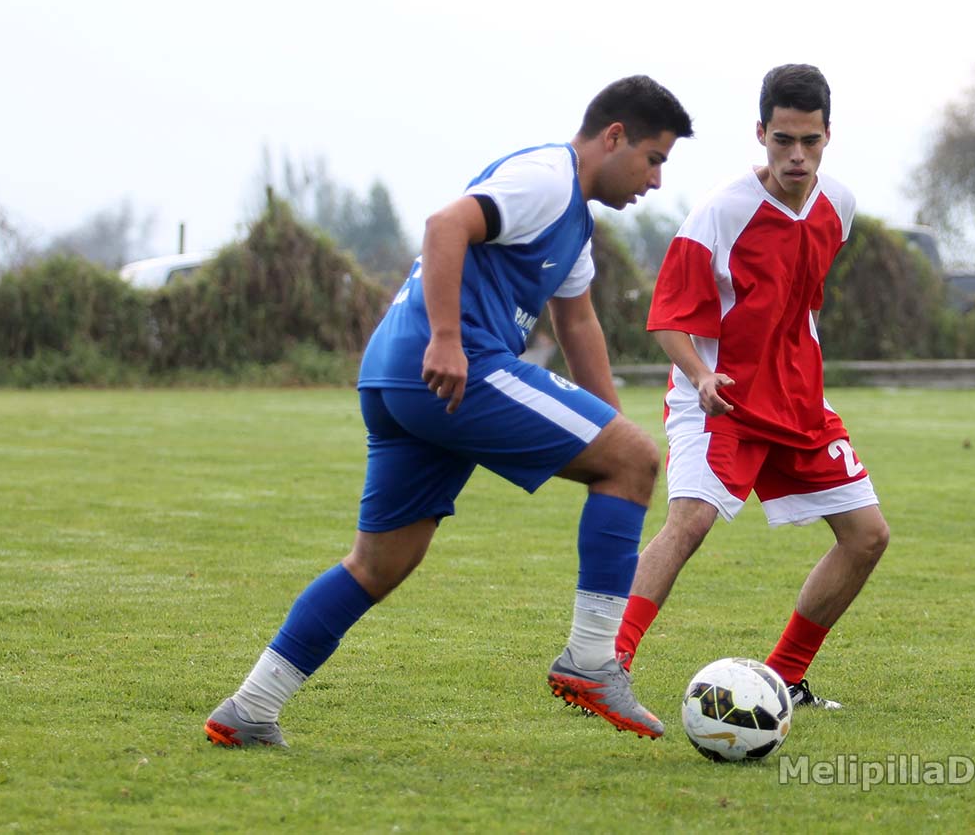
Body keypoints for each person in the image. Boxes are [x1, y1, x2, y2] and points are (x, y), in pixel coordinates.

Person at [204, 76, 694, 747]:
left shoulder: (574, 223)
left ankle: (249, 708)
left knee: (378, 564)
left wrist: (608, 430)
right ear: (615, 137)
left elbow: (578, 322)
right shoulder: (546, 178)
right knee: (636, 460)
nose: (657, 180)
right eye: (655, 158)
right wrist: (446, 338)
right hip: (452, 367)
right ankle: (589, 663)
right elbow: (446, 224)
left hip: (397, 377)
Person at [613, 64, 889, 709]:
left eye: (810, 141)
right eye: (782, 140)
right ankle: (605, 661)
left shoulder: (838, 206)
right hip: (722, 398)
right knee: (689, 523)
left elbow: (800, 304)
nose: (797, 156)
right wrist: (704, 375)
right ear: (760, 133)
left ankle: (786, 676)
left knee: (868, 536)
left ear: (828, 136)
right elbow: (669, 316)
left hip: (798, 402)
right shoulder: (720, 211)